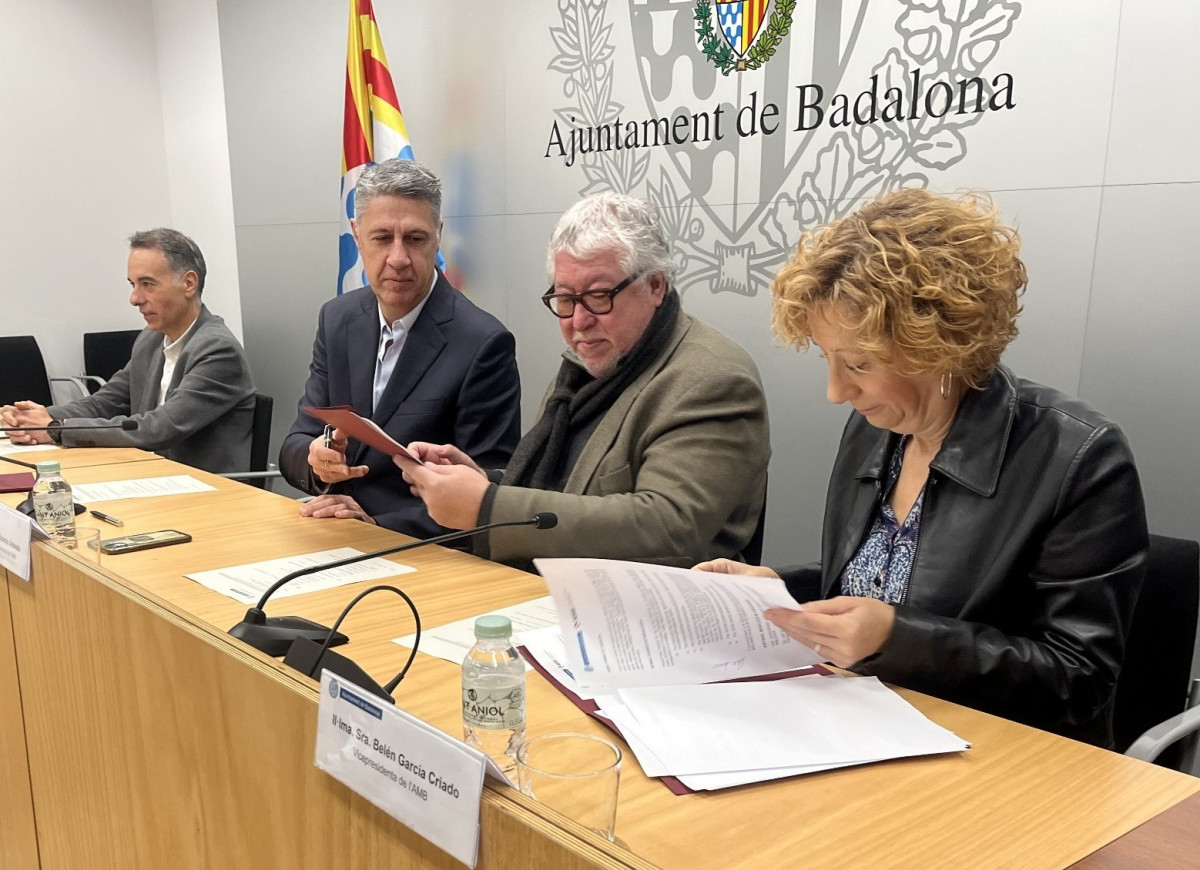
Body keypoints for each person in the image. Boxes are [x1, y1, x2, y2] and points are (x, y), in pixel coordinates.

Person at [698, 188, 1146, 747]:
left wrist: (899, 640)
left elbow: (1079, 679)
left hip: (1001, 755)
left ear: (938, 344)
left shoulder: (1079, 457)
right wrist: (777, 589)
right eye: (828, 359)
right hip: (865, 722)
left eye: (859, 364)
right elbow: (878, 580)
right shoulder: (876, 426)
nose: (836, 391)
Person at [402, 192, 769, 568]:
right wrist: (483, 482)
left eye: (598, 296)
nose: (579, 321)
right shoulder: (585, 366)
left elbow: (667, 528)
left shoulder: (713, 379)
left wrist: (488, 506)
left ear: (656, 285)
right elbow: (567, 487)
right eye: (565, 299)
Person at [278, 159, 521, 537]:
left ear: (438, 236)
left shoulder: (483, 343)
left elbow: (488, 495)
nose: (398, 258)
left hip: (419, 548)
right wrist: (318, 462)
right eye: (381, 238)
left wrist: (377, 525)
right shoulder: (337, 319)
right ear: (356, 236)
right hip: (333, 534)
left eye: (415, 239)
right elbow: (295, 444)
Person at [1, 229, 255, 473]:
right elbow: (106, 402)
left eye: (148, 284)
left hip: (208, 487)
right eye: (133, 284)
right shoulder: (151, 339)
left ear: (188, 283)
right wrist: (36, 418)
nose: (135, 298)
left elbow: (159, 428)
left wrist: (56, 429)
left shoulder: (218, 350)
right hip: (151, 474)